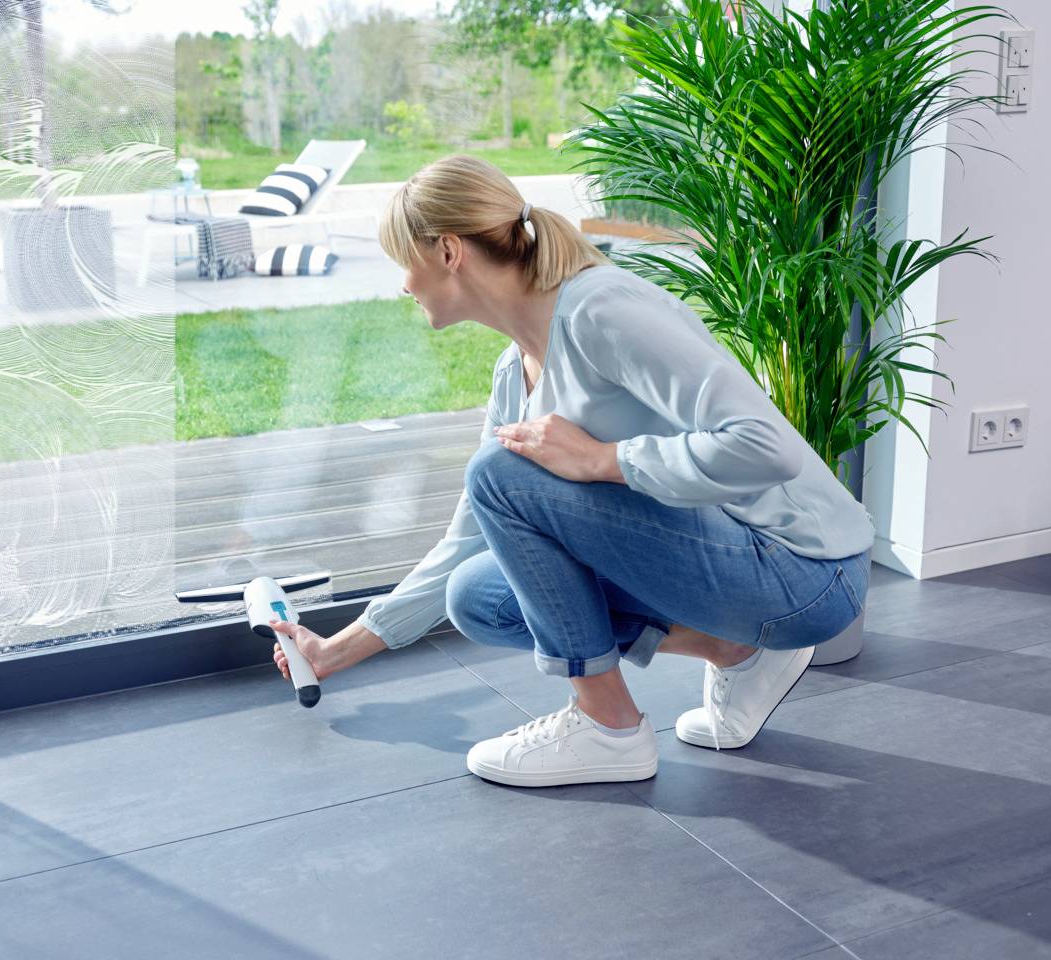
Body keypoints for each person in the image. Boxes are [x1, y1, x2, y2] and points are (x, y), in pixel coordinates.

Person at [268, 154, 874, 788]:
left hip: (808, 573)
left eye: (404, 260)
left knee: (499, 472)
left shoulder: (600, 310)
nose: (402, 284)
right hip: (732, 568)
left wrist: (603, 461)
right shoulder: (515, 372)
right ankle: (731, 649)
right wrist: (334, 650)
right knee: (477, 596)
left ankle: (607, 728)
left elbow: (767, 448)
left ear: (448, 251)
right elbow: (468, 537)